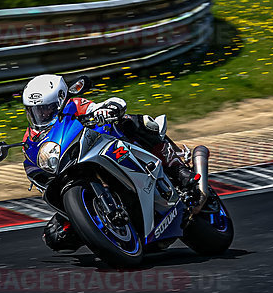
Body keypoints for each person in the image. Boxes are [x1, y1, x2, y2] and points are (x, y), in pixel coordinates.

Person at [21, 74, 196, 252]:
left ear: (59, 101)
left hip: (105, 148)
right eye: (35, 111)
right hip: (72, 172)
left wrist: (107, 109)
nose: (41, 114)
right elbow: (32, 159)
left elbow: (104, 105)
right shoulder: (30, 136)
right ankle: (104, 233)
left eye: (46, 108)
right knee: (54, 236)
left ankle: (177, 169)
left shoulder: (74, 105)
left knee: (136, 122)